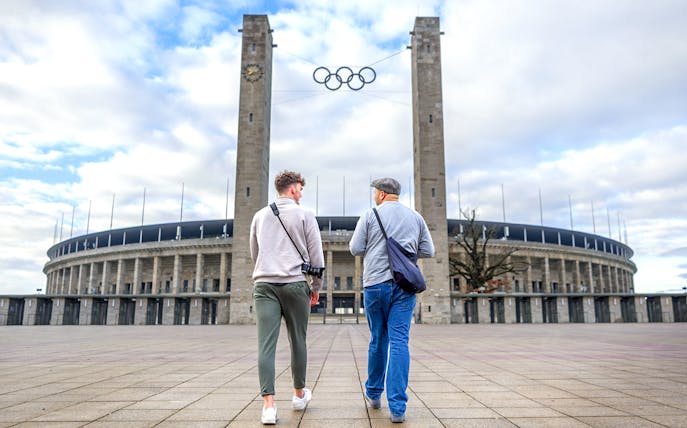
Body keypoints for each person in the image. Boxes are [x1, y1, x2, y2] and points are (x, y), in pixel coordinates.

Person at [349, 177, 435, 423]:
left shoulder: (370, 215)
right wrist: (405, 251)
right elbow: (429, 250)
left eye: (375, 191)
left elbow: (355, 248)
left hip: (375, 284)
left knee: (378, 339)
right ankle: (398, 408)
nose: (375, 195)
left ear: (382, 194)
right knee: (399, 341)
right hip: (404, 285)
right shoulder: (415, 217)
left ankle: (374, 394)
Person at [250, 170, 325, 425]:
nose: (301, 194)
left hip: (264, 285)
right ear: (293, 189)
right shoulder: (305, 215)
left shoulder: (260, 215)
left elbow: (255, 252)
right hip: (294, 284)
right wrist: (316, 287)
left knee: (265, 345)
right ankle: (299, 394)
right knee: (298, 340)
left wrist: (265, 272)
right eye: (301, 189)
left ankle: (268, 407)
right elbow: (317, 256)